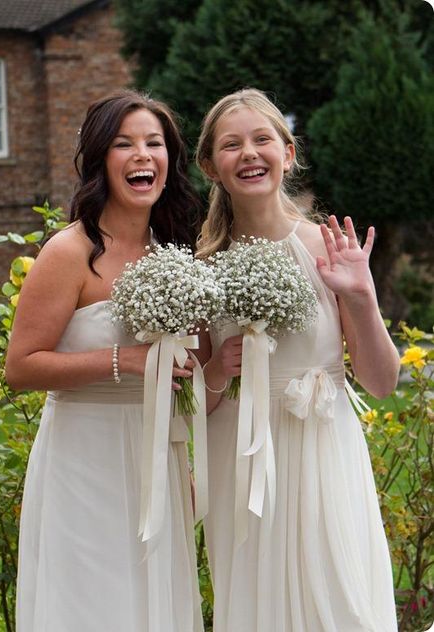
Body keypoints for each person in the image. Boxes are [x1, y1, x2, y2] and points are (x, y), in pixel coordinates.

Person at [196, 88, 399, 632]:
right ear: (210, 166)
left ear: (288, 153)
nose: (249, 153)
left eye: (262, 139)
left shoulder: (331, 248)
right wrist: (218, 371)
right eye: (231, 144)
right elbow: (197, 402)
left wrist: (360, 295)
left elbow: (381, 382)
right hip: (238, 458)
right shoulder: (201, 266)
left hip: (322, 448)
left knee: (340, 604)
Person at [6, 90, 203, 632]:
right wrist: (123, 360)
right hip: (84, 455)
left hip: (156, 452)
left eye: (154, 143)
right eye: (124, 143)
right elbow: (21, 366)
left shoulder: (175, 249)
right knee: (94, 601)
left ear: (169, 160)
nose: (142, 154)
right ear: (101, 160)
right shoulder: (70, 251)